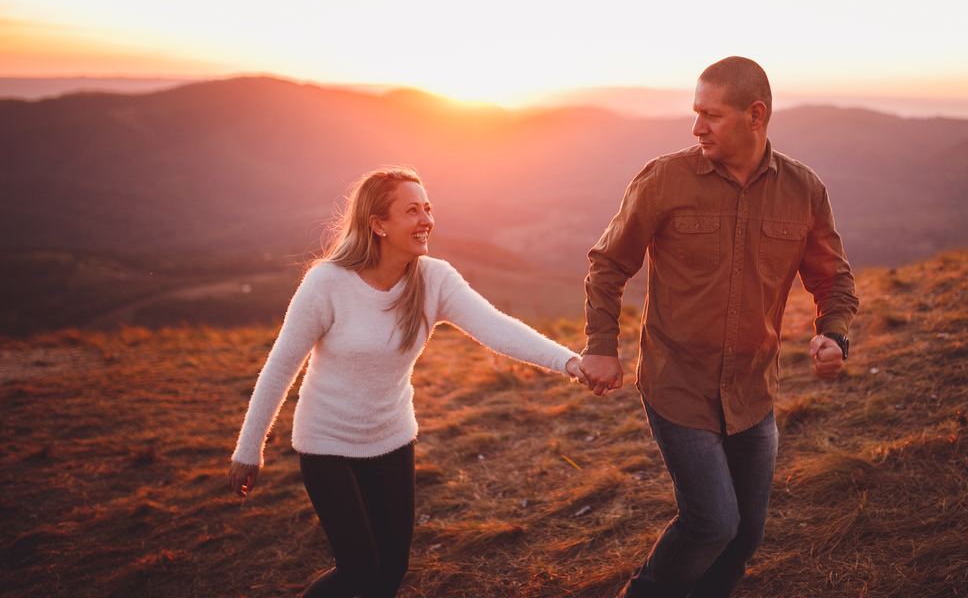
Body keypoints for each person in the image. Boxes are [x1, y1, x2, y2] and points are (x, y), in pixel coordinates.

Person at [229, 165, 590, 598]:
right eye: (412, 211)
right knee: (359, 571)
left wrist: (569, 362)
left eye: (428, 208)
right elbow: (281, 365)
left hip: (392, 439)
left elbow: (496, 327)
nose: (426, 220)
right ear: (378, 224)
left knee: (392, 569)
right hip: (327, 444)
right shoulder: (327, 283)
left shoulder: (434, 279)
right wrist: (249, 449)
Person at [579, 57, 859, 598]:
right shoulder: (664, 179)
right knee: (712, 523)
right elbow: (608, 264)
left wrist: (834, 333)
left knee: (745, 536)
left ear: (755, 116)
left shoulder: (803, 189)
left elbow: (833, 278)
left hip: (753, 391)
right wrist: (601, 347)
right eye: (696, 112)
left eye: (712, 115)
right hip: (678, 386)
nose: (696, 127)